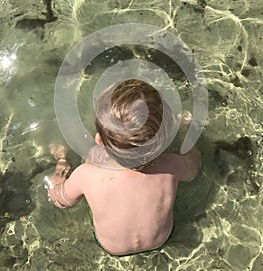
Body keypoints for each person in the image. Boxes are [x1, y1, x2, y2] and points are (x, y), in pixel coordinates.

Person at [45, 79, 201, 256]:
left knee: (91, 158)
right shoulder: (172, 165)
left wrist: (61, 167)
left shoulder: (87, 175)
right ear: (164, 141)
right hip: (160, 239)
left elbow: (60, 200)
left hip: (111, 247)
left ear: (99, 140)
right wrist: (183, 133)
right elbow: (194, 169)